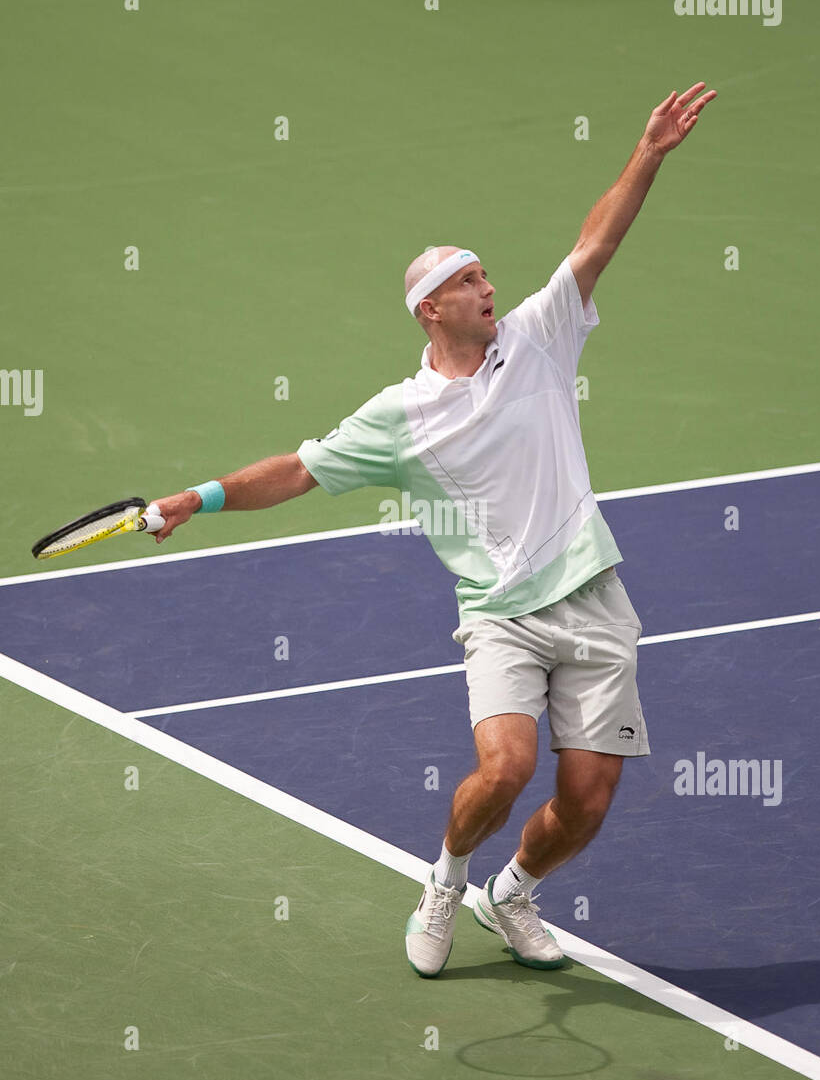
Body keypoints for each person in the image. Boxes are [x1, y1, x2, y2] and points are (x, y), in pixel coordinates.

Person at [151, 82, 717, 978]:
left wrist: (648, 150)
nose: (490, 288)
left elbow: (597, 240)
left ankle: (513, 893)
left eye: (487, 276)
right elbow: (298, 469)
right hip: (501, 613)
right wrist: (200, 496)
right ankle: (447, 882)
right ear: (431, 310)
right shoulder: (399, 415)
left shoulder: (539, 336)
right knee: (505, 769)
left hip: (596, 599)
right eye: (468, 282)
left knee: (588, 801)